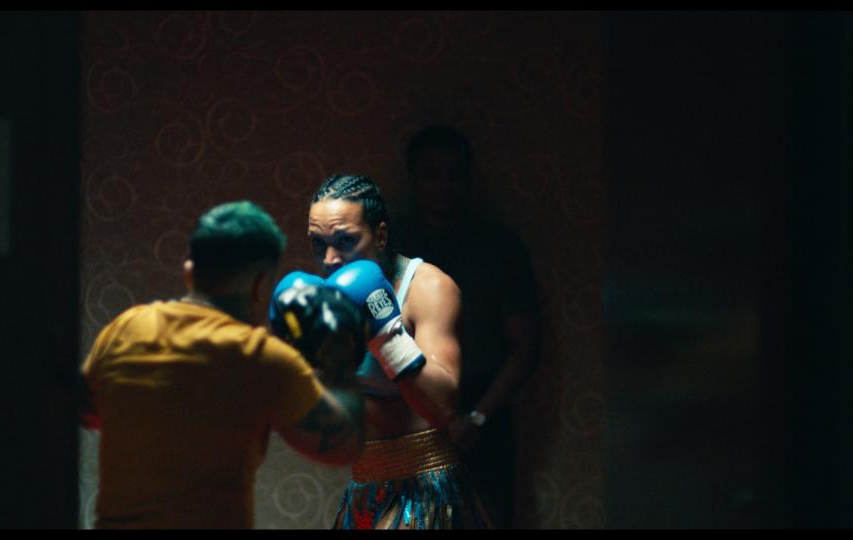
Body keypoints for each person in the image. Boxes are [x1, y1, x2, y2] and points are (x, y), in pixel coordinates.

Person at [79, 200, 366, 529]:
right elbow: (343, 447)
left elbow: (88, 411)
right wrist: (339, 347)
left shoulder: (124, 328)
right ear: (261, 285)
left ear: (190, 272)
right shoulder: (261, 357)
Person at [286, 173, 490, 528]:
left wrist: (385, 333)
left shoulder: (429, 288)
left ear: (379, 235)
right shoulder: (325, 300)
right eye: (318, 244)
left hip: (426, 486)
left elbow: (444, 406)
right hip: (364, 483)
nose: (331, 259)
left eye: (346, 241)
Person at [392, 126, 541, 528]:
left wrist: (477, 416)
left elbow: (525, 347)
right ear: (414, 178)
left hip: (482, 412)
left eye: (456, 173)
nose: (446, 185)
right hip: (406, 413)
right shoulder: (391, 246)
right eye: (432, 173)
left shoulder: (499, 247)